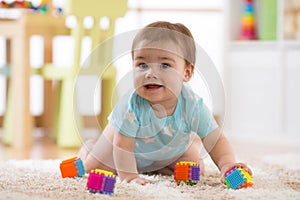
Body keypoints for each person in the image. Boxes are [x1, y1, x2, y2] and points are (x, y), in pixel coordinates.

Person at [78, 21, 252, 185]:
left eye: (165, 65)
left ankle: (159, 164)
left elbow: (216, 140)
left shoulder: (192, 105)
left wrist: (227, 165)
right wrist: (130, 177)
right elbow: (122, 146)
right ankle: (88, 148)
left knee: (195, 168)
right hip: (122, 146)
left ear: (187, 73)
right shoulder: (133, 105)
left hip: (168, 149)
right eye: (142, 64)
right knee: (94, 167)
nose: (150, 73)